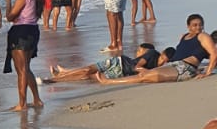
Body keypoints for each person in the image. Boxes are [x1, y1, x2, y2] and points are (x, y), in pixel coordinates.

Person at [48, 43, 196, 85]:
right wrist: (144, 71)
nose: (164, 62)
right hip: (119, 62)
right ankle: (60, 74)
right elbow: (138, 66)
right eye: (164, 58)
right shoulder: (153, 54)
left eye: (166, 61)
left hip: (121, 73)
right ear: (162, 53)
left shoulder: (160, 67)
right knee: (88, 69)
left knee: (88, 77)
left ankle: (62, 76)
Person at [3, 0, 44, 111]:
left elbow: (10, 17)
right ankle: (37, 99)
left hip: (21, 32)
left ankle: (22, 103)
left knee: (21, 70)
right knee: (26, 68)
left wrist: (8, 0)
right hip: (33, 30)